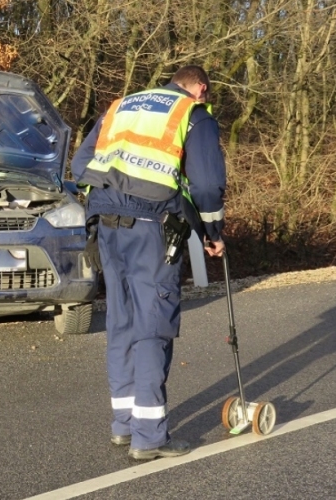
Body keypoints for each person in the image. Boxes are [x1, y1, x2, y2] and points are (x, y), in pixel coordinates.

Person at [71, 65, 226, 460]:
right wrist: (212, 232)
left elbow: (81, 165)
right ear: (201, 89)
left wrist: (102, 204)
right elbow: (207, 185)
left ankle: (124, 425)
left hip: (107, 226)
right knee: (153, 325)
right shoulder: (192, 114)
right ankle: (150, 438)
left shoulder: (120, 107)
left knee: (121, 321)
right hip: (151, 228)